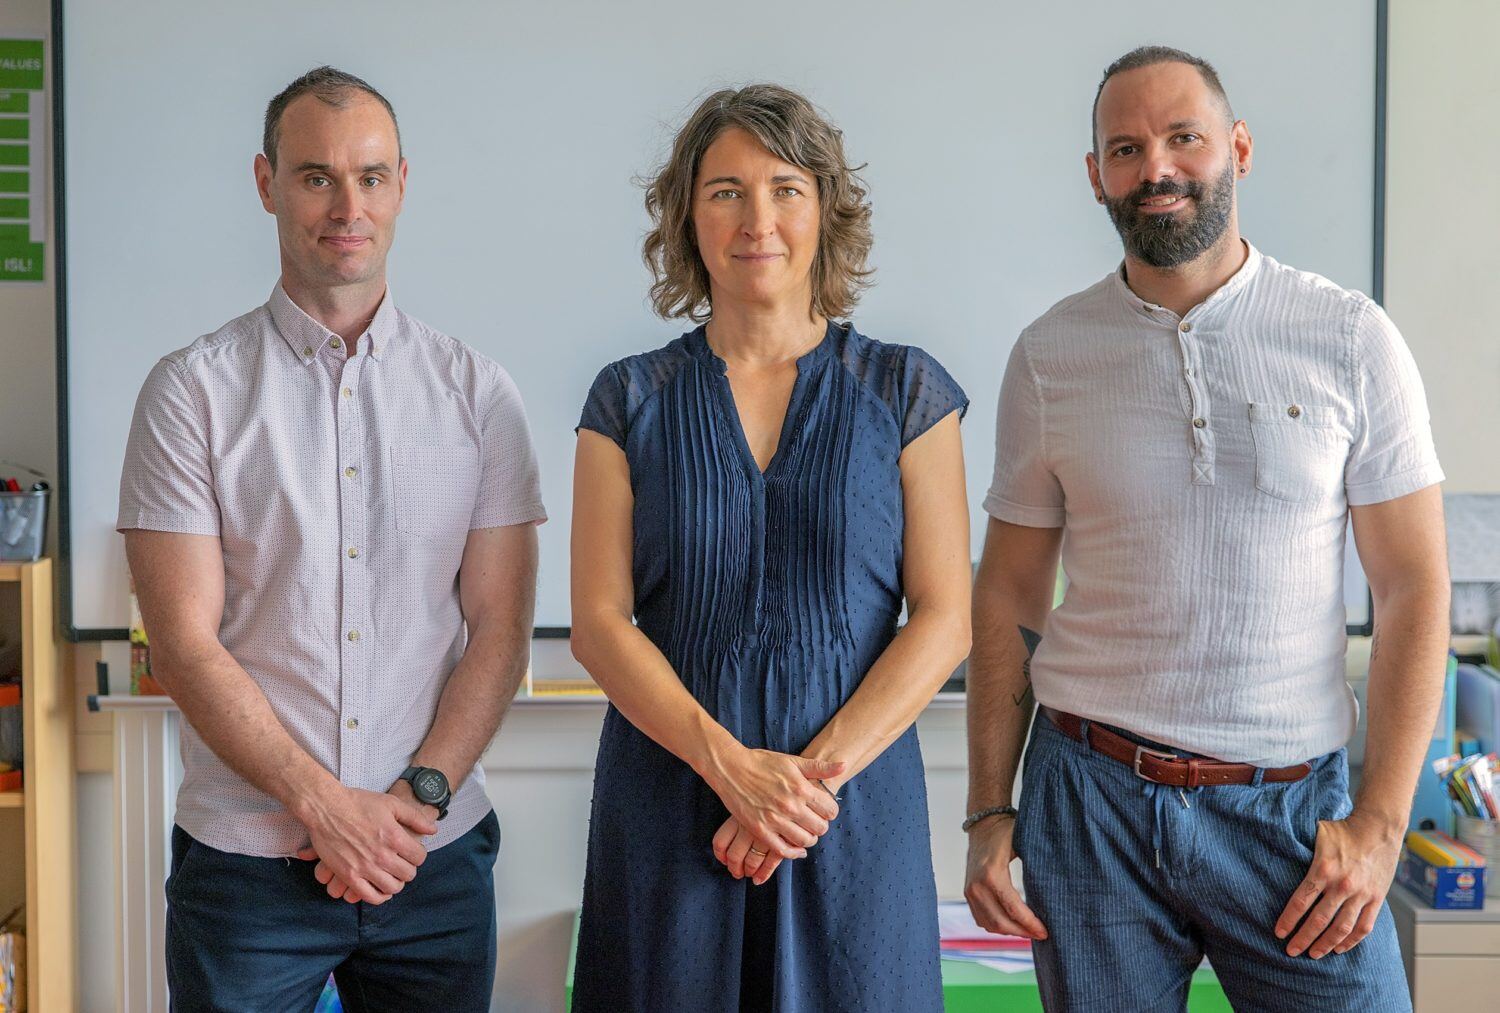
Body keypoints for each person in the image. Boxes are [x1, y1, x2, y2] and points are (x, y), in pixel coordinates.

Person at [963, 46, 1448, 1011]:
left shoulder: (1350, 338)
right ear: (1096, 174)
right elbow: (1011, 588)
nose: (1157, 169)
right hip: (1088, 801)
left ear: (1237, 149)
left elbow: (1412, 587)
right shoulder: (1050, 355)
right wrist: (988, 808)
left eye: (1184, 138)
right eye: (1127, 148)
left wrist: (1383, 821)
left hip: (1291, 815)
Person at [118, 66, 545, 1012]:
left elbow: (502, 623)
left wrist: (412, 803)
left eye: (371, 176)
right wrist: (324, 807)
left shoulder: (479, 395)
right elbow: (184, 646)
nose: (347, 205)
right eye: (316, 177)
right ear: (267, 184)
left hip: (427, 860)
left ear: (402, 184)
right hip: (247, 871)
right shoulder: (189, 392)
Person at [569, 84, 972, 1011]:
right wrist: (729, 768)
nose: (758, 219)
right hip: (672, 806)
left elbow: (945, 619)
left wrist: (796, 794)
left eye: (785, 188)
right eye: (725, 191)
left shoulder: (908, 391)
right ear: (687, 215)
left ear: (825, 208)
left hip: (851, 812)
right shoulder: (625, 399)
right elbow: (596, 621)